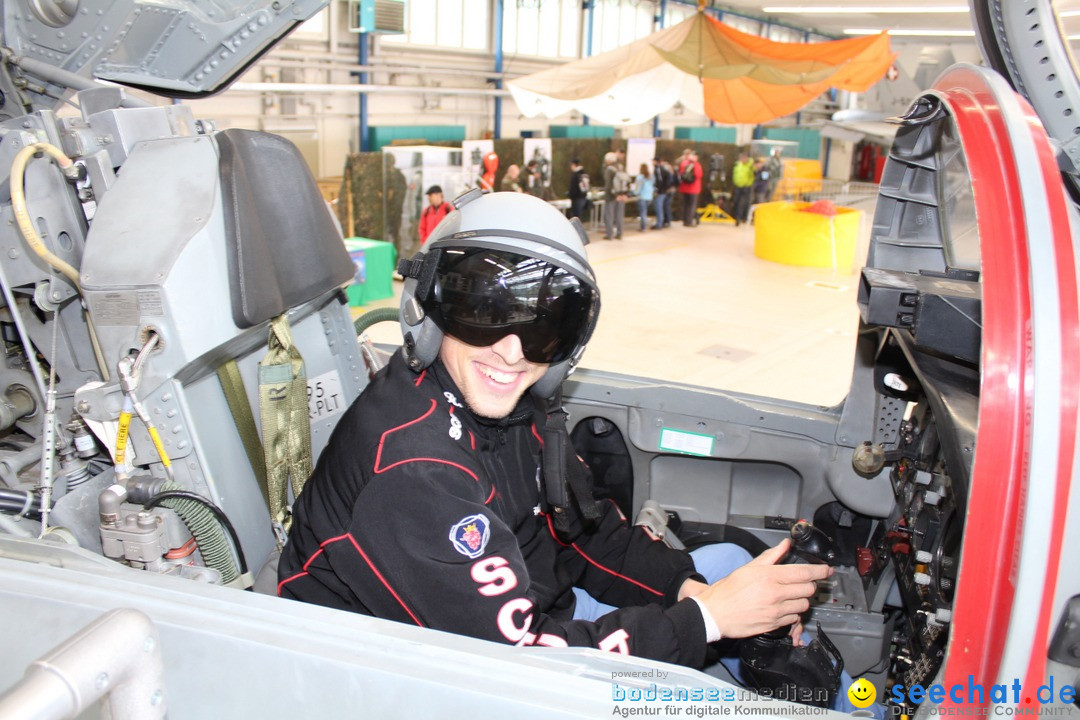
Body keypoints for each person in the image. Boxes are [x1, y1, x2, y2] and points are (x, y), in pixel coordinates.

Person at [279, 190, 832, 672]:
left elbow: (584, 533)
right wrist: (708, 620)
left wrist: (687, 591)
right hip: (411, 668)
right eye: (484, 315)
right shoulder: (413, 472)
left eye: (544, 328)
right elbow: (514, 660)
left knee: (729, 569)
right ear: (430, 308)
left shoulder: (514, 408)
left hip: (533, 615)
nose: (513, 353)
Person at [602, 152, 628, 240]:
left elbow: (609, 184)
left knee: (609, 216)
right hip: (622, 195)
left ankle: (609, 234)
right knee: (619, 215)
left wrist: (614, 194)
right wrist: (624, 194)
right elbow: (626, 181)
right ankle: (619, 233)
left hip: (611, 196)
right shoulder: (620, 167)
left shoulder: (609, 169)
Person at [677, 149, 703, 227]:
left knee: (685, 205)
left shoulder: (684, 163)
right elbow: (699, 175)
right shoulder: (696, 164)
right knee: (691, 205)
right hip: (693, 188)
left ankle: (685, 220)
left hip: (684, 187)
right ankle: (689, 221)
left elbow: (681, 173)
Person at [732, 152, 755, 226]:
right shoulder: (738, 165)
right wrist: (735, 181)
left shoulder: (751, 166)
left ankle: (743, 218)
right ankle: (737, 218)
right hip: (738, 186)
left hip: (746, 187)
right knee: (736, 202)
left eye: (743, 158)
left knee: (744, 203)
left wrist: (748, 184)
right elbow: (735, 173)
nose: (742, 160)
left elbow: (752, 176)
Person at [651, 157, 671, 230]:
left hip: (661, 192)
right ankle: (660, 222)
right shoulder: (660, 169)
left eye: (653, 161)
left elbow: (659, 181)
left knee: (659, 207)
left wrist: (657, 190)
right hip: (663, 191)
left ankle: (659, 224)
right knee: (659, 207)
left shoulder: (659, 169)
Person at [634, 163, 654, 232]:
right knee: (645, 211)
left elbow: (638, 188)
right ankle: (644, 226)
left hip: (642, 196)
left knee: (643, 212)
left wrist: (634, 193)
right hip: (649, 196)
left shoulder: (640, 177)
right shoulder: (651, 176)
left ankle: (643, 227)